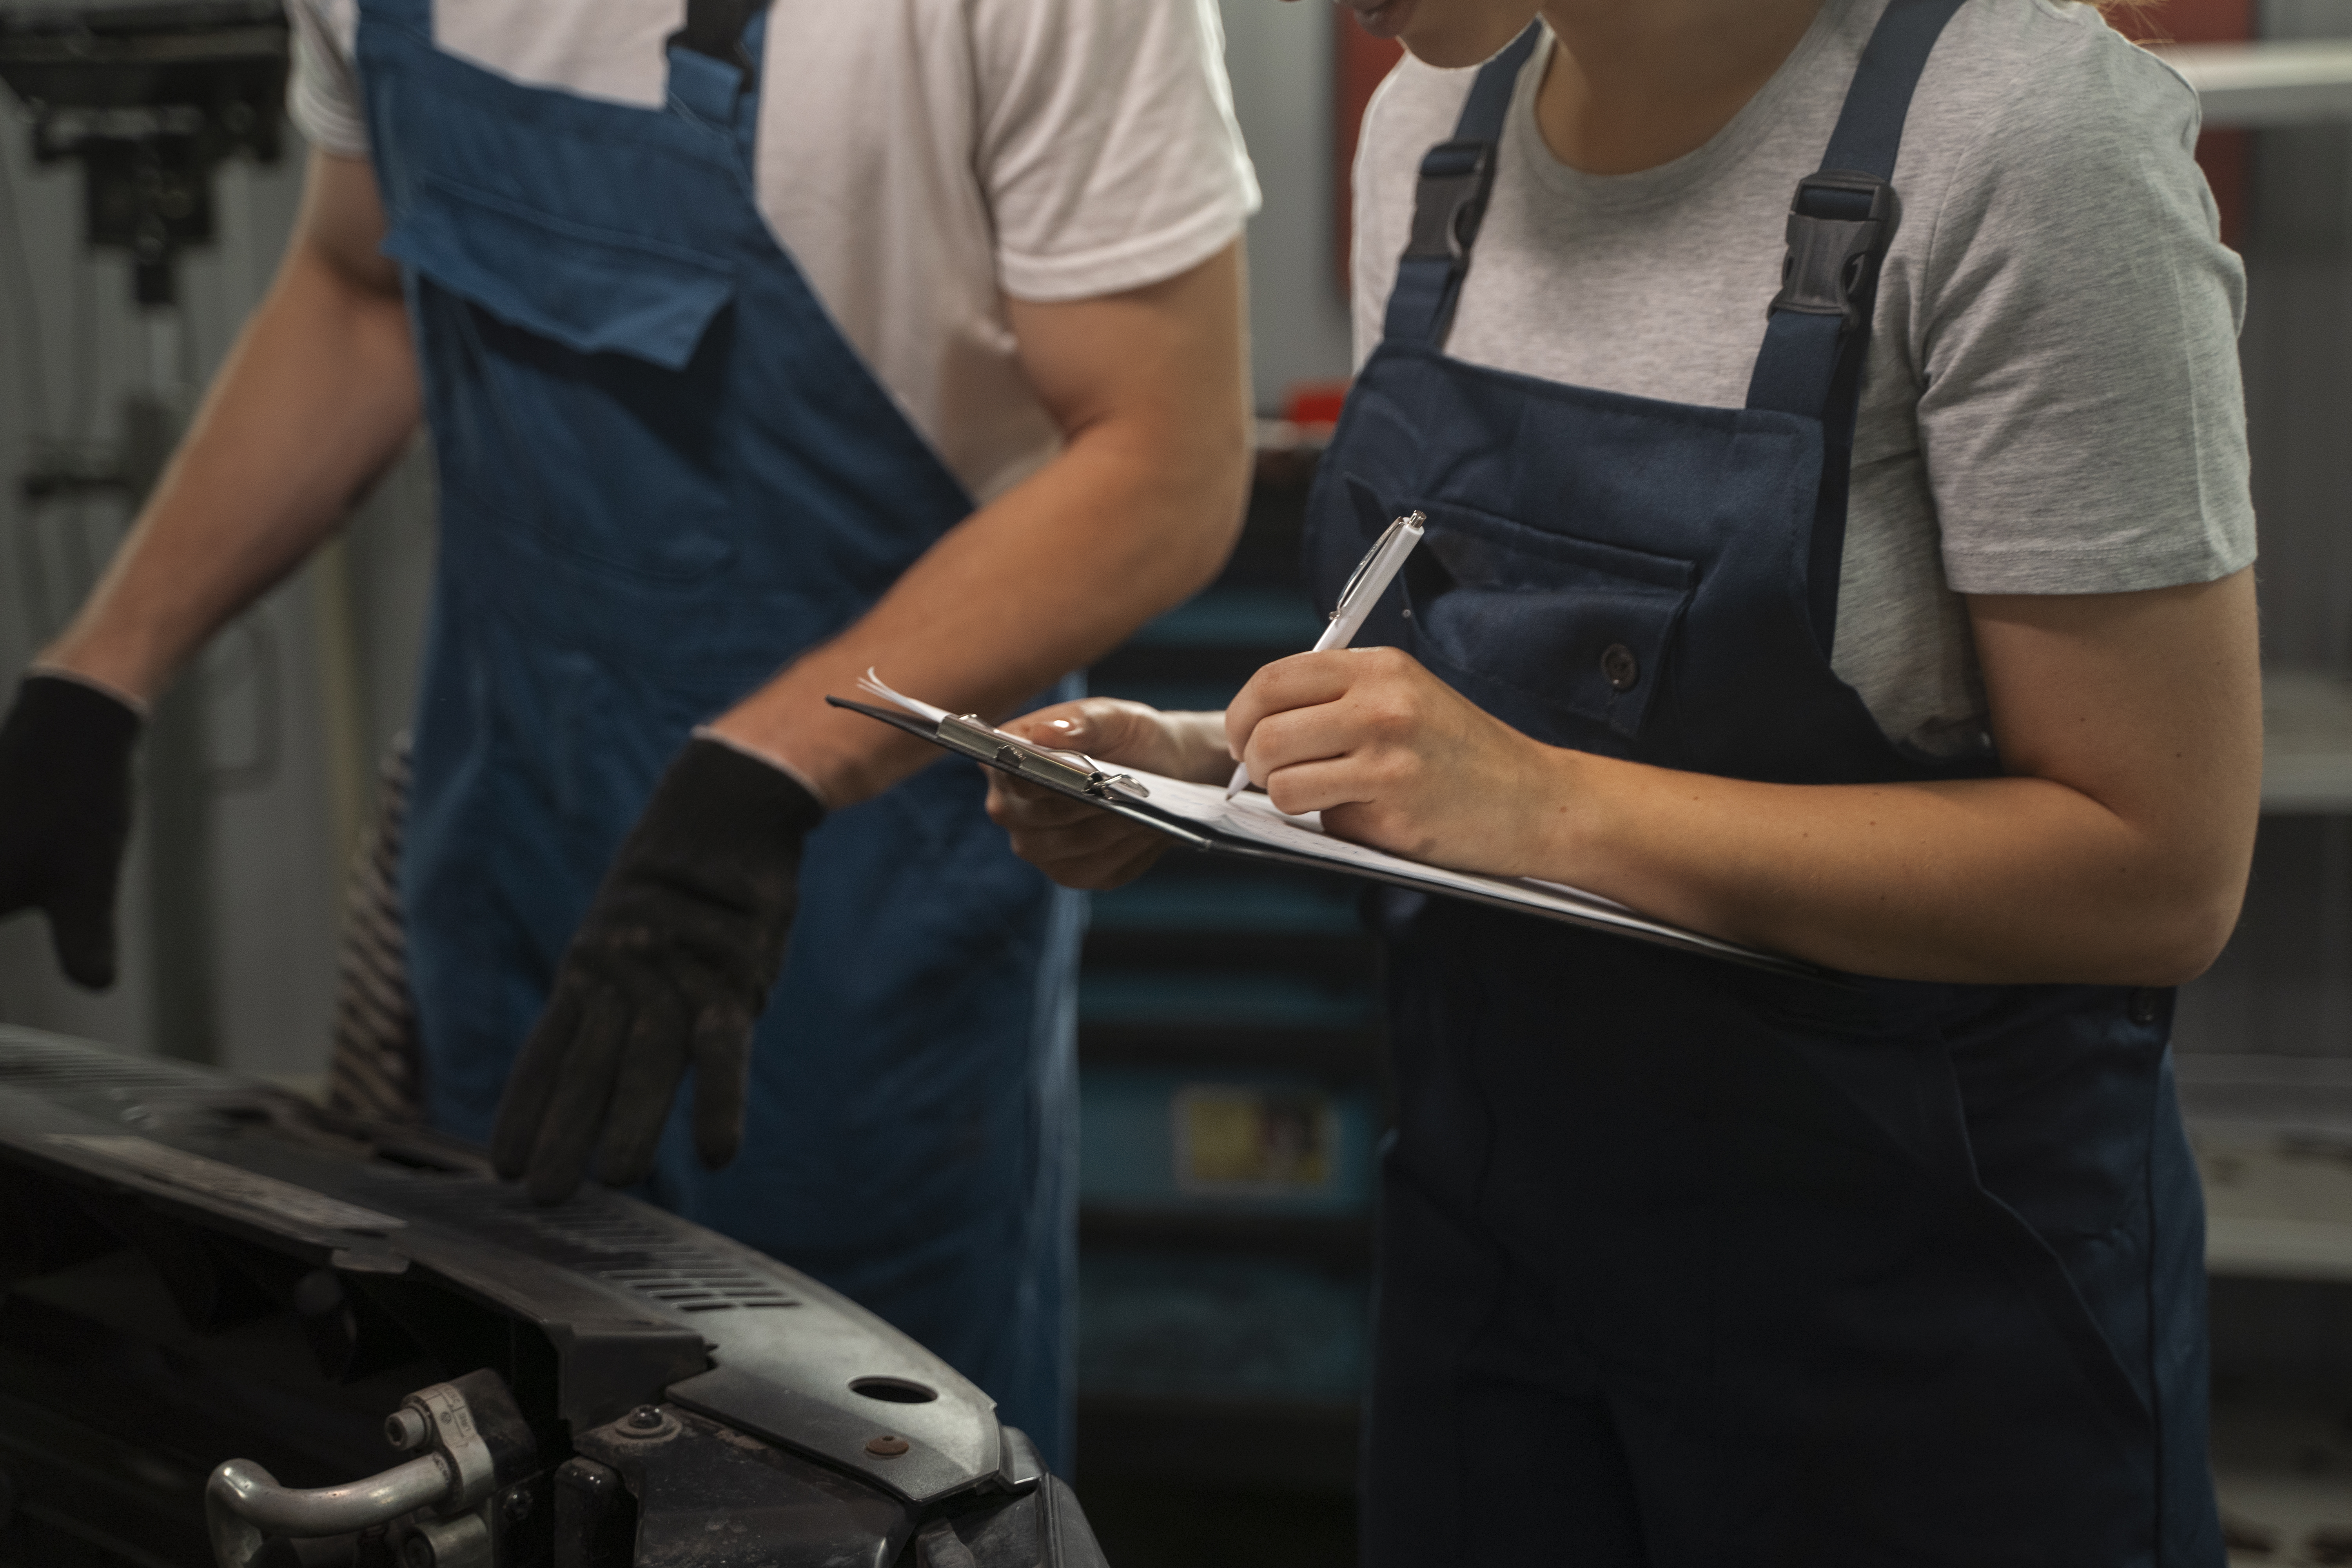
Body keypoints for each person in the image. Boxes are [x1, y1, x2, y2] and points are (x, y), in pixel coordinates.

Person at [987, 0, 2259, 1556]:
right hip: (1493, 1279)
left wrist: (1549, 807)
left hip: (1920, 1330)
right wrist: (1206, 764)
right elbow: (1466, 717)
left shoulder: (2023, 145)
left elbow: (2158, 869)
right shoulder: (1431, 137)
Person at [0, 0, 1258, 1470]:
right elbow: (359, 285)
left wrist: (769, 770)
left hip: (841, 871)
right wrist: (104, 670)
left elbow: (1164, 462)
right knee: (481, 1413)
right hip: (510, 805)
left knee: (848, 1451)